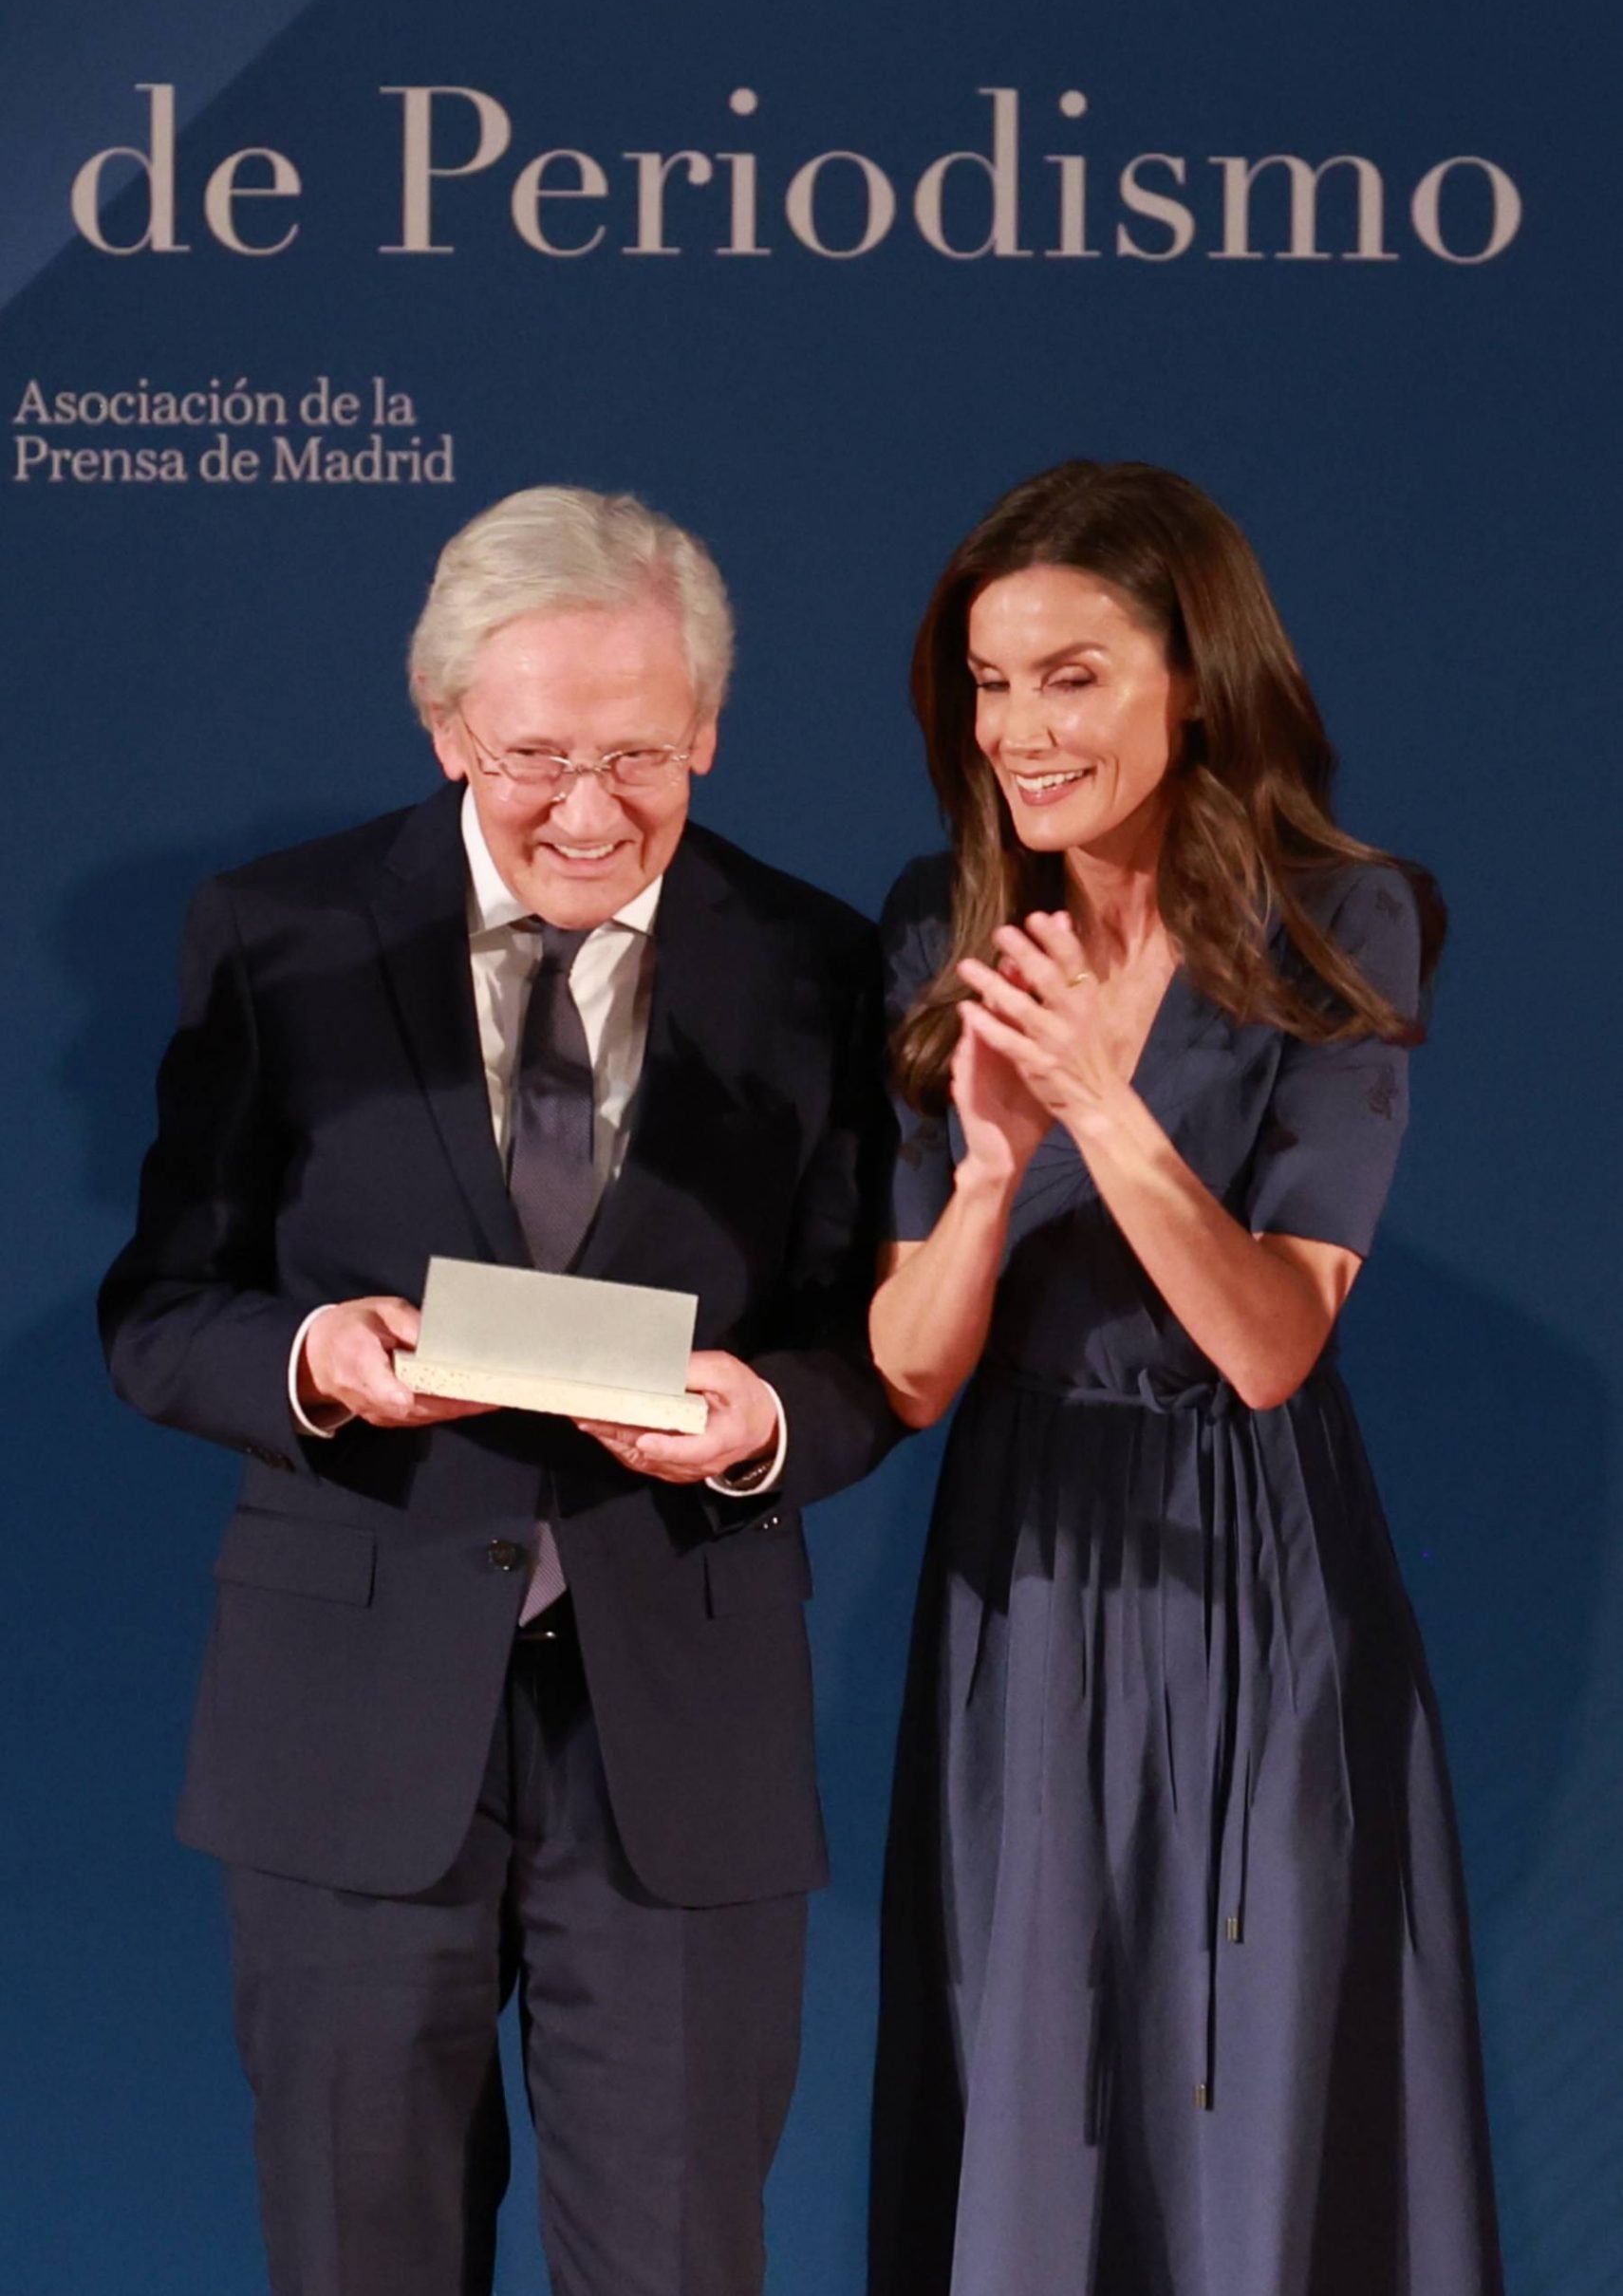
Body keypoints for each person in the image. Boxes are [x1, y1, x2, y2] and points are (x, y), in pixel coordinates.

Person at [99, 486, 899, 2296]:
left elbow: (872, 1343)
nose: (592, 811)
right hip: (349, 1726)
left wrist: (764, 1419)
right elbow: (161, 1311)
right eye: (537, 755)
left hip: (677, 1732)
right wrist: (312, 1361)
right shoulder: (278, 936)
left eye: (641, 753)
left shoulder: (813, 965)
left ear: (706, 727)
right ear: (446, 722)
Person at [866, 461, 1502, 2296]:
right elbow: (910, 1376)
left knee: (1252, 2076)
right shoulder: (941, 923)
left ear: (1197, 677)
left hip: (1252, 1565)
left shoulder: (1342, 921)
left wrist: (1099, 1106)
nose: (1020, 731)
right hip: (1024, 1558)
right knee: (1034, 2078)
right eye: (988, 684)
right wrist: (988, 1171)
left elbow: (1268, 1338)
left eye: (1070, 675)